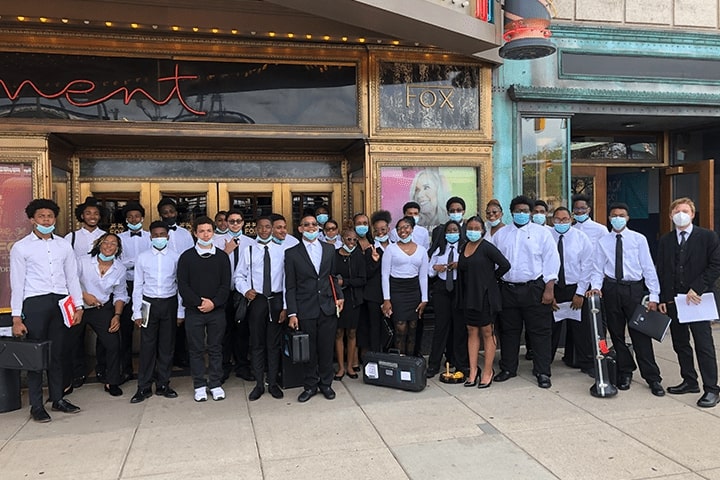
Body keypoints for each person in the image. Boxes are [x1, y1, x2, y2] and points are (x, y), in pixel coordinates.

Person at [10, 198, 84, 422]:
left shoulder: (63, 245)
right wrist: (16, 317)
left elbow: (72, 277)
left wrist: (78, 305)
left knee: (58, 354)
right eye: (41, 216)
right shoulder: (21, 247)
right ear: (32, 219)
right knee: (36, 357)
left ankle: (58, 398)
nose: (46, 220)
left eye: (50, 216)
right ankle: (36, 405)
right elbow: (17, 283)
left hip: (61, 303)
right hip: (35, 303)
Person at [588, 202, 664, 397]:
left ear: (628, 218)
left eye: (621, 215)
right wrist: (596, 288)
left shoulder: (639, 239)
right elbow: (597, 268)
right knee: (616, 334)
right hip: (611, 289)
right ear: (609, 218)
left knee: (641, 334)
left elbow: (648, 267)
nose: (617, 218)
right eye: (614, 215)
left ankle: (652, 377)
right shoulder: (603, 241)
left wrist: (654, 295)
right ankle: (625, 371)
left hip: (634, 290)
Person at [491, 195, 559, 389]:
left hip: (534, 288)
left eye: (525, 211)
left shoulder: (542, 233)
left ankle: (543, 371)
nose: (521, 214)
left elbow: (552, 261)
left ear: (530, 212)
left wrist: (549, 288)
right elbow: (492, 259)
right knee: (509, 331)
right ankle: (508, 368)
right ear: (511, 212)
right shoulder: (501, 235)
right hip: (508, 289)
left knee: (540, 332)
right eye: (517, 210)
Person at [657, 198, 720, 407]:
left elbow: (715, 264)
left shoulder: (707, 237)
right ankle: (689, 380)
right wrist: (664, 298)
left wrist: (698, 287)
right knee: (681, 343)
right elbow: (663, 270)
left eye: (685, 210)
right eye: (676, 210)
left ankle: (711, 388)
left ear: (692, 214)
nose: (680, 214)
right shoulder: (665, 240)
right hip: (675, 301)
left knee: (703, 345)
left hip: (698, 300)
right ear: (670, 215)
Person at [285, 214, 344, 402]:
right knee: (309, 351)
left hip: (327, 306)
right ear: (300, 229)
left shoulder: (329, 249)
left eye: (314, 225)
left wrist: (340, 297)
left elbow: (332, 277)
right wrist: (292, 313)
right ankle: (310, 386)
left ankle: (326, 384)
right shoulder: (292, 253)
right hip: (305, 308)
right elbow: (290, 286)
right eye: (306, 225)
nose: (311, 228)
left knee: (326, 349)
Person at [130, 221, 184, 403]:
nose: (159, 237)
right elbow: (137, 285)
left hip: (169, 303)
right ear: (150, 237)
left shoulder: (176, 257)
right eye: (156, 235)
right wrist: (136, 312)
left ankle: (163, 384)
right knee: (147, 346)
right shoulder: (142, 257)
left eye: (162, 234)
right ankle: (143, 386)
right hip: (148, 304)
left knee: (167, 347)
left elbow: (179, 286)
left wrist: (180, 312)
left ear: (167, 237)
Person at [177, 216, 231, 402]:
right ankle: (199, 385)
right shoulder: (186, 257)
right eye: (201, 231)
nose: (205, 234)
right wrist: (200, 302)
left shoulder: (222, 257)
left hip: (216, 311)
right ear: (195, 233)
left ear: (213, 232)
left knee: (216, 348)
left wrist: (213, 303)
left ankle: (215, 383)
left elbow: (226, 285)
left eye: (209, 231)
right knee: (196, 349)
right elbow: (183, 285)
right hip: (194, 311)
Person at [235, 216, 287, 401]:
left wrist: (286, 307)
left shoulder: (282, 251)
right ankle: (259, 384)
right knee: (256, 344)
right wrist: (245, 290)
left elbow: (287, 281)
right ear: (255, 229)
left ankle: (272, 383)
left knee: (273, 344)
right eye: (261, 227)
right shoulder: (249, 251)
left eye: (267, 227)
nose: (264, 230)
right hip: (257, 300)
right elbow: (238, 276)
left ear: (272, 229)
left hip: (275, 300)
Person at [457, 216, 510, 388]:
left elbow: (504, 265)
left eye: (476, 228)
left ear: (482, 230)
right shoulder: (464, 247)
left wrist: (490, 279)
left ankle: (488, 371)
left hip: (485, 296)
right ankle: (473, 371)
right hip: (468, 295)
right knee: (471, 331)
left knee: (487, 332)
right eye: (470, 228)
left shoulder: (487, 247)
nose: (473, 231)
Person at [77, 232, 129, 397]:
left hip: (102, 308)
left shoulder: (119, 269)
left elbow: (120, 294)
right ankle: (71, 379)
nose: (109, 246)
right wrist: (84, 295)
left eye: (114, 244)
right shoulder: (82, 262)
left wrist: (117, 315)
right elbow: (68, 282)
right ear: (99, 244)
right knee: (70, 343)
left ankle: (111, 381)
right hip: (79, 307)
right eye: (106, 242)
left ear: (118, 249)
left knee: (113, 343)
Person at [64, 196, 107, 390]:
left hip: (100, 295)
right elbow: (66, 268)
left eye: (96, 213)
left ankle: (102, 370)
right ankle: (78, 372)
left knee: (104, 338)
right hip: (76, 295)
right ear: (82, 215)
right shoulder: (71, 237)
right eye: (88, 213)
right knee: (75, 337)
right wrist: (80, 294)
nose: (92, 216)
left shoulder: (106, 237)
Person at [549, 207, 594, 374]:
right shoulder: (547, 237)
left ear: (571, 219)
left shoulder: (581, 238)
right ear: (552, 220)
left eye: (565, 219)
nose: (562, 222)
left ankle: (587, 363)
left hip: (575, 288)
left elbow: (587, 266)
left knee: (581, 330)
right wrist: (549, 291)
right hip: (554, 288)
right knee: (551, 329)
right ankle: (545, 364)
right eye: (558, 219)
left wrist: (580, 292)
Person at [214, 208, 255, 382]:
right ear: (226, 222)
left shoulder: (251, 242)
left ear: (243, 223)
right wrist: (226, 251)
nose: (235, 224)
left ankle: (242, 366)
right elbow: (211, 267)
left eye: (238, 221)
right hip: (223, 292)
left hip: (243, 293)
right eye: (231, 221)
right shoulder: (216, 241)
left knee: (242, 331)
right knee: (223, 331)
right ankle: (223, 366)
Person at [115, 202, 151, 384]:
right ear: (126, 219)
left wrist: (133, 262)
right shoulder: (118, 238)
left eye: (137, 216)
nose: (134, 219)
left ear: (142, 218)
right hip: (127, 285)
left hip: (147, 287)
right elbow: (118, 262)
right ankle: (126, 369)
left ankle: (149, 369)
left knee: (147, 328)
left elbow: (152, 259)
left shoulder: (151, 237)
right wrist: (138, 262)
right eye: (130, 217)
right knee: (126, 329)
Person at [381, 216, 429, 355]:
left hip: (414, 290)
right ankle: (400, 361)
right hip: (397, 290)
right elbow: (385, 275)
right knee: (400, 328)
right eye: (399, 228)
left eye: (406, 227)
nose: (403, 230)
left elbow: (423, 276)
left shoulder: (421, 250)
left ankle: (410, 361)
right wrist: (387, 299)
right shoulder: (391, 249)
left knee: (413, 328)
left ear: (412, 229)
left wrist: (424, 299)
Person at [157, 197, 194, 370]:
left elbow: (191, 254)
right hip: (164, 282)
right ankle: (166, 359)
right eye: (165, 213)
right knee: (167, 324)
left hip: (184, 279)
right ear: (160, 215)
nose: (168, 215)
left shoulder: (184, 233)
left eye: (171, 212)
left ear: (176, 213)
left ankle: (182, 356)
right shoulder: (157, 234)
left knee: (183, 321)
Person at [427, 220, 466, 378]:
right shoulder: (438, 250)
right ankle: (434, 364)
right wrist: (436, 268)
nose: (452, 233)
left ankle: (457, 361)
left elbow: (470, 268)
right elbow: (429, 272)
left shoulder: (464, 248)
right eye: (449, 231)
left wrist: (459, 265)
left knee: (459, 328)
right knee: (441, 328)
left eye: (454, 230)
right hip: (442, 290)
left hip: (458, 290)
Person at [332, 227, 367, 380]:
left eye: (354, 240)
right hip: (338, 299)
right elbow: (330, 277)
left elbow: (362, 280)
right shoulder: (334, 255)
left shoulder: (359, 256)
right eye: (348, 239)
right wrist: (337, 284)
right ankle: (340, 368)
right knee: (339, 333)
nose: (351, 242)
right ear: (342, 239)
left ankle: (350, 366)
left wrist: (345, 282)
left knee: (352, 333)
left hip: (354, 299)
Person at [361, 210, 393, 353]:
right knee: (374, 327)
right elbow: (366, 274)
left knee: (392, 326)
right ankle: (376, 358)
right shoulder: (370, 249)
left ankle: (391, 357)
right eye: (376, 230)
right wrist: (374, 261)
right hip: (373, 295)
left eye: (383, 229)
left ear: (388, 229)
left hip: (393, 294)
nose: (380, 233)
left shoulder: (396, 247)